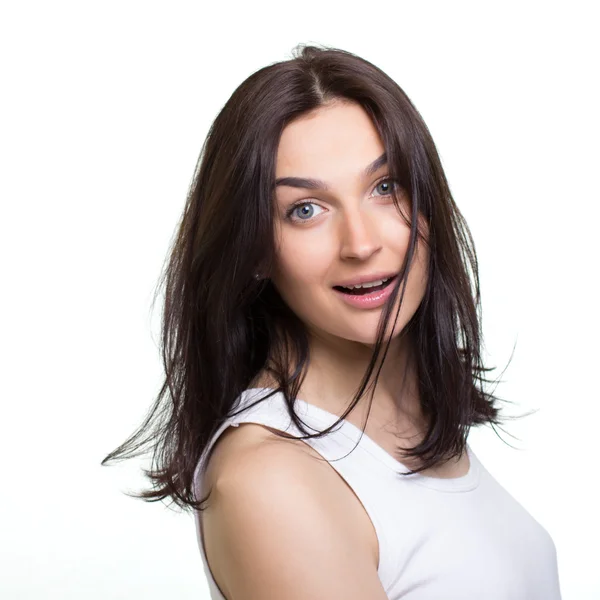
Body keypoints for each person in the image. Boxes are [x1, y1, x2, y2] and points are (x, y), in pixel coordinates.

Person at [103, 44, 562, 599]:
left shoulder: (407, 423)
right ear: (251, 249)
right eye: (305, 210)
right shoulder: (273, 480)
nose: (362, 243)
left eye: (384, 187)